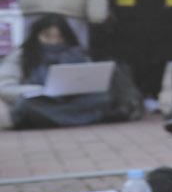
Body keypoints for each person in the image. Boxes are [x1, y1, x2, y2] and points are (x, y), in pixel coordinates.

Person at [0, 13, 136, 128]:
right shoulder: (22, 55)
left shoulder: (75, 53)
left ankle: (57, 119)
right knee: (25, 106)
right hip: (40, 101)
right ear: (37, 35)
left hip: (73, 100)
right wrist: (41, 90)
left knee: (104, 98)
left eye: (59, 37)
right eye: (47, 36)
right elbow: (5, 87)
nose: (53, 42)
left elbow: (89, 82)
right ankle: (83, 117)